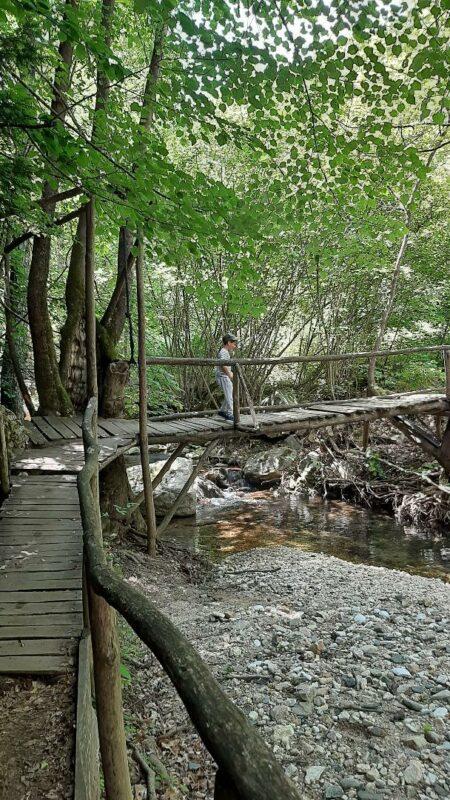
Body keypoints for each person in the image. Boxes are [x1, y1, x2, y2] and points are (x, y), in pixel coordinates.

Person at [215, 334, 238, 421]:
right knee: (229, 395)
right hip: (223, 376)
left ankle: (222, 411)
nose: (235, 346)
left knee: (229, 393)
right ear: (228, 342)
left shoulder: (225, 352)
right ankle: (230, 413)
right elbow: (223, 364)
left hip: (223, 376)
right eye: (234, 343)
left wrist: (230, 372)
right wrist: (229, 373)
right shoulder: (223, 352)